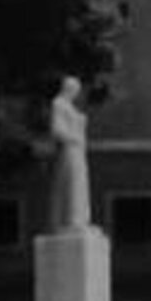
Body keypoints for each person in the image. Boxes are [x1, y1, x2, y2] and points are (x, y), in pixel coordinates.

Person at [47, 74, 90, 231]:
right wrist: (74, 137)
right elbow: (56, 130)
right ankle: (70, 220)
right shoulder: (58, 103)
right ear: (68, 88)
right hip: (69, 150)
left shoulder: (69, 106)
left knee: (79, 184)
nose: (76, 93)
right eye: (75, 90)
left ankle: (79, 219)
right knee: (71, 183)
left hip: (78, 150)